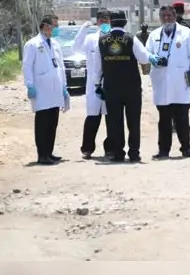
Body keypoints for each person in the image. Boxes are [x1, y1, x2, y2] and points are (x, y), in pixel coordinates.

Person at [88, 9, 155, 163]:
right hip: (131, 86)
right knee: (133, 121)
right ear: (125, 22)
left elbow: (97, 67)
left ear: (110, 22)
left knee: (114, 122)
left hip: (111, 86)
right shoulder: (131, 39)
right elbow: (144, 58)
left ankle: (118, 153)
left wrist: (97, 84)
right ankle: (134, 153)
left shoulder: (102, 40)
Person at [146, 5, 190, 159]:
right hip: (161, 82)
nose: (167, 18)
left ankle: (186, 149)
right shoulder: (154, 35)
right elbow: (146, 53)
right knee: (164, 120)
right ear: (159, 17)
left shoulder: (186, 33)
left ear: (175, 16)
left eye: (169, 15)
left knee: (182, 118)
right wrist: (152, 58)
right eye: (163, 16)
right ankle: (163, 150)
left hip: (180, 83)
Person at [22, 15, 71, 165]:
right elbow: (27, 66)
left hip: (55, 89)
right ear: (45, 26)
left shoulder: (55, 44)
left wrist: (64, 87)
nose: (56, 29)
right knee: (43, 124)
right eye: (54, 26)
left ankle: (49, 152)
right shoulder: (32, 44)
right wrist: (29, 85)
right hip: (41, 89)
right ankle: (42, 154)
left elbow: (61, 67)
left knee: (52, 123)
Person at [73, 9, 112, 159]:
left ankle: (110, 148)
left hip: (109, 83)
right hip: (93, 85)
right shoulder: (90, 39)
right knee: (93, 117)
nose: (104, 23)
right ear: (97, 22)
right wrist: (83, 29)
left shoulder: (114, 38)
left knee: (111, 118)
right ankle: (87, 148)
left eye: (107, 21)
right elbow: (76, 48)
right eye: (101, 21)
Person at [172, 0, 190, 133]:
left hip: (170, 69)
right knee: (186, 97)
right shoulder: (189, 28)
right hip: (186, 68)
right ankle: (183, 123)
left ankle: (174, 122)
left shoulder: (167, 27)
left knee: (172, 96)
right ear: (183, 11)